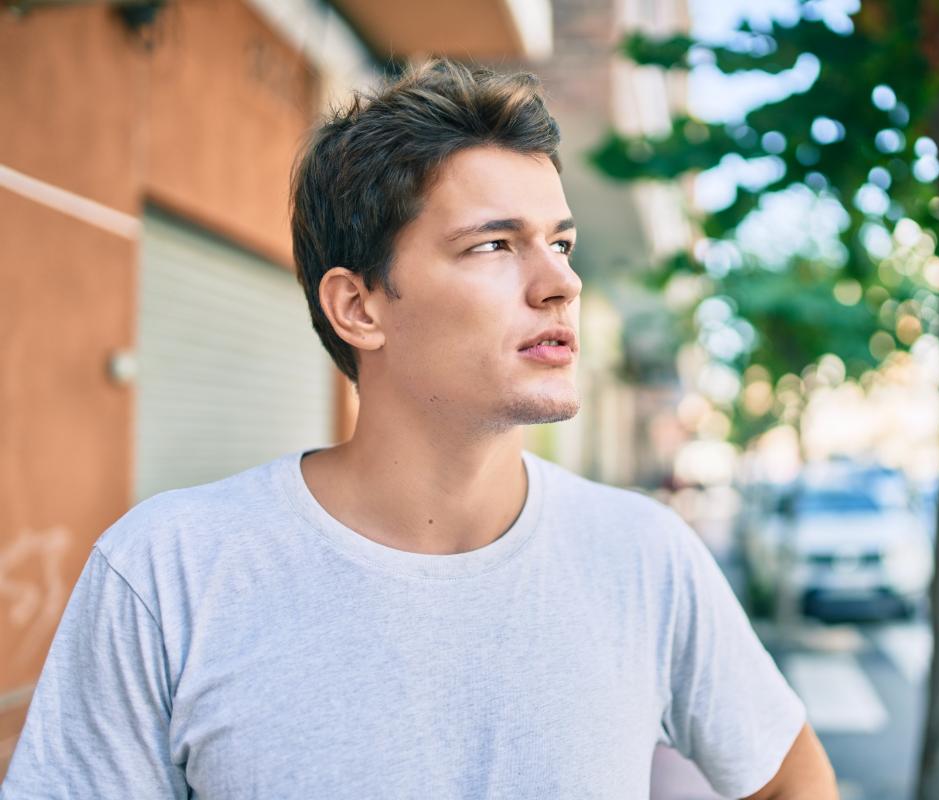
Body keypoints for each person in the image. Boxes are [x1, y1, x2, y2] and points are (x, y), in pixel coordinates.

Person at [1, 59, 837, 799]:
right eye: (494, 245)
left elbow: (791, 779)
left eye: (561, 241)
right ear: (359, 307)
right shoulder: (168, 572)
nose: (560, 283)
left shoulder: (645, 558)